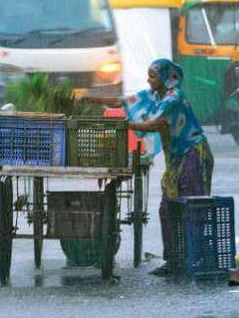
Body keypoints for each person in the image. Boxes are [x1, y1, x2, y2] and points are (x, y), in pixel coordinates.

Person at [84, 59, 214, 276]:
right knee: (168, 209)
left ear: (165, 77)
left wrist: (125, 125)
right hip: (175, 158)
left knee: (191, 207)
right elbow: (123, 101)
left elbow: (156, 124)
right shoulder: (154, 96)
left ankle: (196, 257)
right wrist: (90, 98)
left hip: (193, 155)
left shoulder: (174, 98)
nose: (148, 80)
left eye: (152, 76)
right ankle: (173, 261)